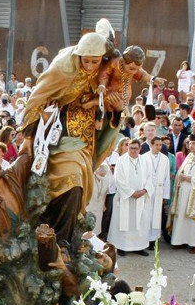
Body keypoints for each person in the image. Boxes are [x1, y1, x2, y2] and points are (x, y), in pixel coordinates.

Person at [18, 29, 121, 245]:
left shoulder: (106, 70)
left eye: (95, 61)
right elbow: (37, 99)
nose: (91, 66)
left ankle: (66, 235)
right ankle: (60, 239)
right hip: (59, 131)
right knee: (71, 181)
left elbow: (114, 104)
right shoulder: (62, 68)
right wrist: (27, 136)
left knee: (80, 182)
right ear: (78, 56)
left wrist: (116, 110)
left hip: (88, 137)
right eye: (87, 61)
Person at [107, 139, 151, 255]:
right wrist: (131, 193)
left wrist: (144, 190)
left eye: (136, 148)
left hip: (141, 198)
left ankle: (139, 247)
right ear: (127, 148)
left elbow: (151, 177)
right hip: (125, 198)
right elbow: (118, 179)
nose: (133, 150)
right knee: (124, 222)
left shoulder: (145, 161)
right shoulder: (121, 160)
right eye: (131, 148)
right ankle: (122, 246)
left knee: (139, 222)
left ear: (140, 149)